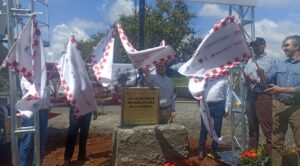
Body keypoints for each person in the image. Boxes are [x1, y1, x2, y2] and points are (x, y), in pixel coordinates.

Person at [258, 35, 300, 166]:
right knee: (276, 143)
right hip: (279, 106)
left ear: (297, 46)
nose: (283, 48)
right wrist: (262, 75)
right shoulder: (280, 64)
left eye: (287, 45)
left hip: (297, 108)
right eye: (283, 45)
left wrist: (281, 89)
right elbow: (268, 82)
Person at [243, 37, 277, 155]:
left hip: (263, 96)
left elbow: (273, 81)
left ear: (264, 45)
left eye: (257, 45)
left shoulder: (272, 60)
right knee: (252, 128)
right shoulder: (250, 60)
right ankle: (251, 156)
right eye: (253, 46)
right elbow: (245, 79)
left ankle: (271, 157)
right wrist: (247, 80)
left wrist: (260, 78)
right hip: (250, 95)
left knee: (267, 128)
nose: (255, 48)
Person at [19, 76, 51, 166]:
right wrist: (44, 83)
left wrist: (48, 105)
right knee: (26, 142)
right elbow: (35, 92)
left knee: (40, 141)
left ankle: (37, 164)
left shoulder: (43, 76)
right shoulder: (26, 76)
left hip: (43, 111)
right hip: (30, 111)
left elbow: (46, 95)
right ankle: (22, 164)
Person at [198, 75, 230, 160]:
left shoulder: (224, 79)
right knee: (204, 128)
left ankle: (214, 149)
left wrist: (227, 108)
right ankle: (201, 149)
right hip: (206, 105)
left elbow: (228, 93)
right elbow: (198, 90)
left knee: (217, 128)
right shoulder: (205, 78)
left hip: (219, 105)